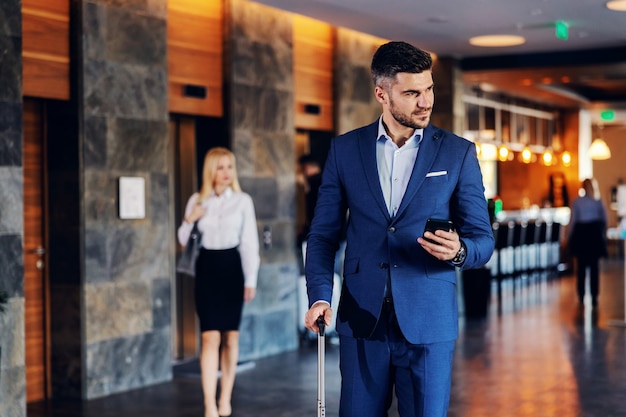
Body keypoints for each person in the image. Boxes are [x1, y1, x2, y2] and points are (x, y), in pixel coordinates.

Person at [303, 41, 495, 417]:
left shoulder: (458, 153)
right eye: (411, 93)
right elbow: (323, 235)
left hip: (428, 321)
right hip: (361, 320)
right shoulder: (345, 150)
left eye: (429, 90)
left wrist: (459, 251)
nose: (425, 102)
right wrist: (320, 296)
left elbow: (483, 240)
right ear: (382, 94)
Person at [177, 147, 260, 417]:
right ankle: (209, 403)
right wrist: (190, 219)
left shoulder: (243, 200)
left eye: (230, 167)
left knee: (231, 338)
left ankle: (225, 398)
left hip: (232, 268)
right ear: (211, 170)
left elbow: (249, 243)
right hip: (207, 269)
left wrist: (251, 279)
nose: (226, 173)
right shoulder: (197, 201)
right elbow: (182, 240)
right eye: (221, 167)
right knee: (209, 337)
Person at [567, 178, 608, 308]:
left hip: (582, 236)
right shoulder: (597, 201)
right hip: (594, 236)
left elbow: (572, 221)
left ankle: (581, 295)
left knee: (581, 267)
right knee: (594, 267)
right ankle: (594, 296)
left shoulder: (577, 202)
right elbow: (604, 220)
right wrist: (603, 236)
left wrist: (568, 237)